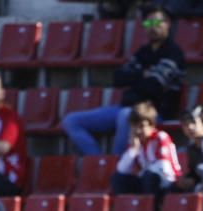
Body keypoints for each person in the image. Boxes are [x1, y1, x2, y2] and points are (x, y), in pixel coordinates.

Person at [61, 6, 185, 156]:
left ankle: (118, 164)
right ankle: (100, 161)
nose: (153, 27)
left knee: (126, 116)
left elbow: (154, 86)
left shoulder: (173, 53)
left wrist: (135, 77)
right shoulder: (143, 52)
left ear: (168, 24)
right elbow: (118, 78)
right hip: (126, 106)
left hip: (155, 111)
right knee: (71, 120)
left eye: (157, 22)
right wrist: (143, 74)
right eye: (148, 24)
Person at [110, 101, 182, 199]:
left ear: (152, 125)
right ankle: (128, 209)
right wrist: (133, 150)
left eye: (142, 126)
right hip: (145, 181)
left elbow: (164, 166)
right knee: (118, 178)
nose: (139, 131)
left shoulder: (160, 137)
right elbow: (121, 169)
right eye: (135, 126)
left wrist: (144, 172)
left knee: (149, 177)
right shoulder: (137, 143)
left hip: (166, 183)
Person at [172, 107, 203, 193]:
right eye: (185, 124)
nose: (190, 127)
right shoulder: (191, 149)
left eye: (194, 122)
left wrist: (194, 181)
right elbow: (194, 172)